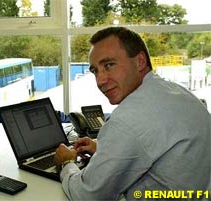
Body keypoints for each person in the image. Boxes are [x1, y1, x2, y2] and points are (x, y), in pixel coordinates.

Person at [54, 27, 211, 200]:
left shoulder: (128, 118)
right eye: (95, 71)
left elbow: (87, 196)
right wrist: (106, 151)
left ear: (140, 62)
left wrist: (67, 163)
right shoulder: (177, 92)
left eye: (109, 65)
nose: (100, 80)